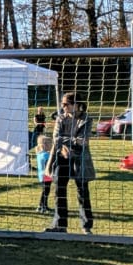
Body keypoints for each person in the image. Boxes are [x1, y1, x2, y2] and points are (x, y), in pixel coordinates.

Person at [44, 91, 94, 235]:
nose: (63, 107)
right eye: (62, 104)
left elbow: (83, 140)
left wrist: (68, 144)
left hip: (79, 157)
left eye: (66, 104)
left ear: (76, 105)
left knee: (82, 191)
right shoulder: (60, 118)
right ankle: (60, 225)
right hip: (61, 156)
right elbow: (56, 138)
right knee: (59, 190)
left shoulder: (86, 119)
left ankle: (86, 226)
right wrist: (66, 145)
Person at [34, 134, 55, 215]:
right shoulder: (46, 155)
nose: (52, 146)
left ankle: (44, 205)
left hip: (42, 175)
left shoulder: (40, 154)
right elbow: (48, 165)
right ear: (45, 145)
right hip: (46, 175)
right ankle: (41, 206)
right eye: (50, 144)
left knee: (46, 191)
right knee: (45, 191)